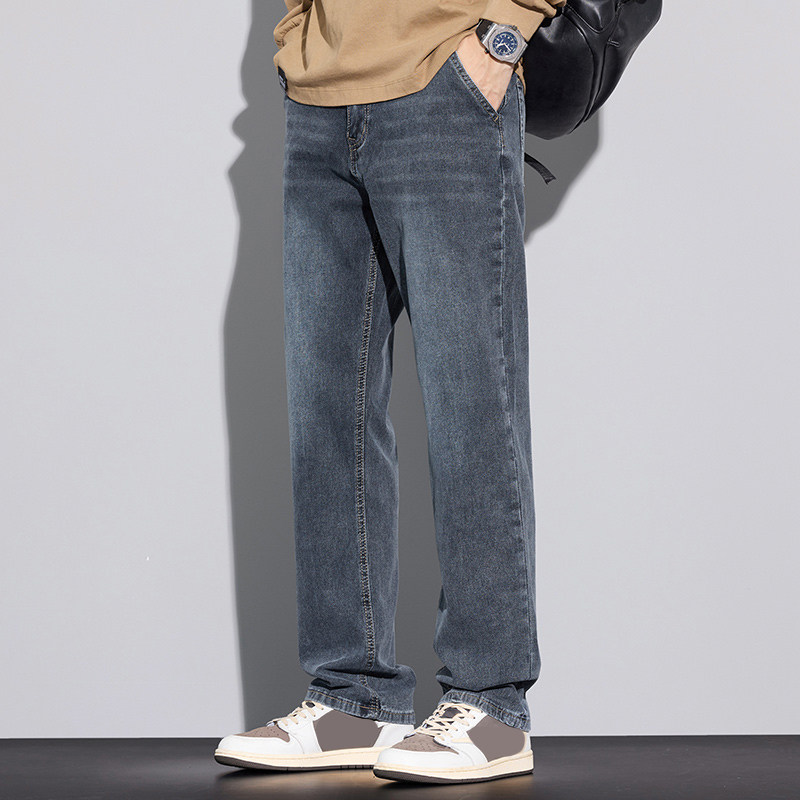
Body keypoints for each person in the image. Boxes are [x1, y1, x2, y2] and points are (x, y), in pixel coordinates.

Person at [215, 0, 566, 785]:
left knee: (472, 407)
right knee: (325, 414)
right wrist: (298, 40)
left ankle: (492, 704)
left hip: (446, 85)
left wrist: (501, 37)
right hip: (319, 105)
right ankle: (354, 697)